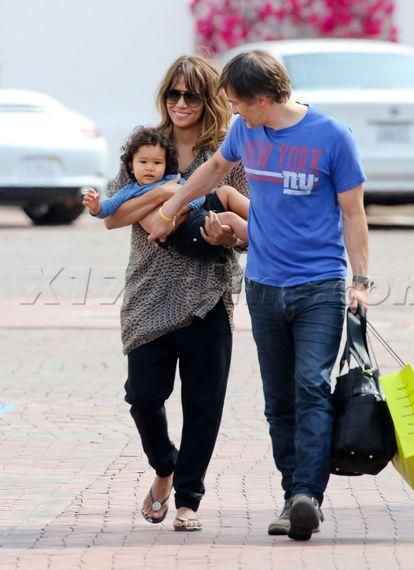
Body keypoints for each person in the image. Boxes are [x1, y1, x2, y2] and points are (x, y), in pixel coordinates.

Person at [146, 50, 371, 541]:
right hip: (264, 286)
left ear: (263, 99)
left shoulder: (333, 137)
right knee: (278, 401)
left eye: (236, 102)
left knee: (311, 387)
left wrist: (361, 281)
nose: (231, 110)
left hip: (319, 286)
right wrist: (174, 205)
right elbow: (215, 169)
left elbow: (353, 213)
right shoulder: (246, 131)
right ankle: (293, 496)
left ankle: (307, 494)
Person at [102, 55, 248, 531]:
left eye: (191, 95)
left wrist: (227, 235)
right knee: (142, 396)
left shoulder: (229, 154)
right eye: (173, 93)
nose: (180, 103)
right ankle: (164, 465)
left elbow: (254, 227)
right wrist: (167, 198)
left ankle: (188, 500)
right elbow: (112, 215)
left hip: (208, 294)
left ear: (209, 99)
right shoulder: (147, 146)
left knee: (203, 405)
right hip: (149, 293)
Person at [83, 126, 249, 254]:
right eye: (143, 162)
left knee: (227, 192)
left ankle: (261, 218)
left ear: (165, 165)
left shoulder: (172, 180)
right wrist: (95, 207)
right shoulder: (129, 191)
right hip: (184, 231)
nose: (149, 168)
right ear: (131, 166)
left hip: (195, 213)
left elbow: (199, 197)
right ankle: (261, 238)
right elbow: (108, 210)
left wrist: (172, 211)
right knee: (230, 218)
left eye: (157, 163)